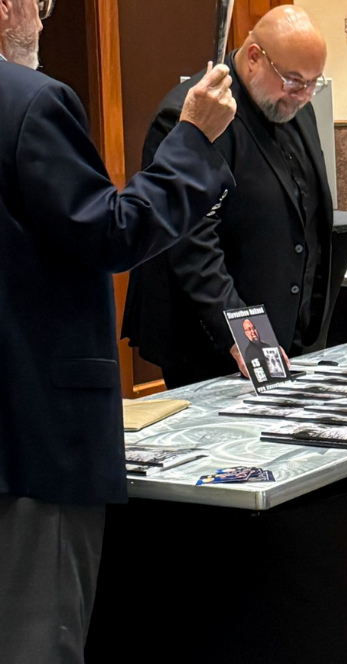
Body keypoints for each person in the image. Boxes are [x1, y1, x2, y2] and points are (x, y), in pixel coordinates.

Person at [0, 0, 236, 659]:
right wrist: (192, 140)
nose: (43, 21)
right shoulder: (29, 102)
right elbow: (111, 232)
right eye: (40, 5)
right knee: (33, 641)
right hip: (34, 441)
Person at [123, 6, 335, 388]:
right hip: (211, 345)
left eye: (313, 83)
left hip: (287, 337)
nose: (304, 96)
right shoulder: (194, 113)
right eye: (293, 81)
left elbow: (308, 219)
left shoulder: (295, 107)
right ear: (254, 57)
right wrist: (248, 338)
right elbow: (192, 244)